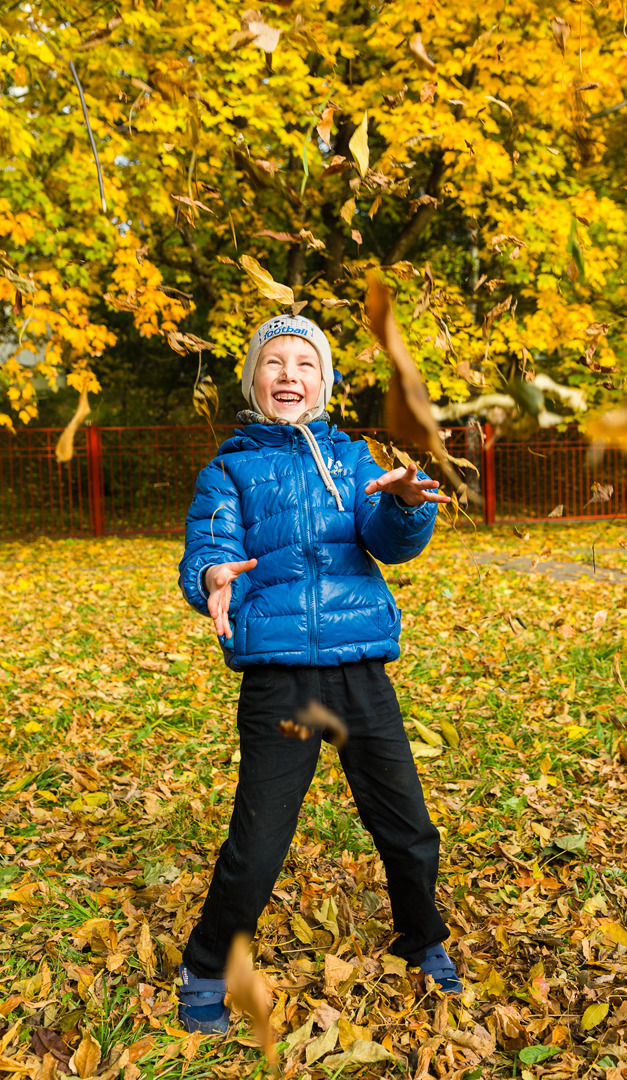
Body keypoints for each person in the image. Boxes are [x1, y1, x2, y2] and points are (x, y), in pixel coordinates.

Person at [176, 314, 461, 1035]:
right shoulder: (230, 468)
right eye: (274, 363)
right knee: (260, 838)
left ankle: (422, 939)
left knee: (407, 824)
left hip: (360, 669)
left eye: (305, 363)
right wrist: (213, 575)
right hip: (281, 680)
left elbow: (388, 542)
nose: (289, 375)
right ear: (255, 381)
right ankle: (207, 963)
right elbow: (211, 541)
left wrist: (402, 506)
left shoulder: (355, 460)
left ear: (323, 383)